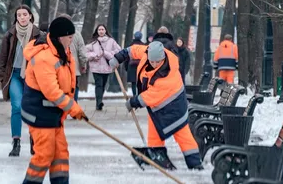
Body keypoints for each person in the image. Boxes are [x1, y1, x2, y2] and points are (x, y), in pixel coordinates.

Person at [19, 17, 87, 184]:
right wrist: (74, 109)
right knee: (45, 151)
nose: (72, 40)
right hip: (39, 112)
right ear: (60, 37)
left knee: (60, 151)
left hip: (53, 113)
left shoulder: (62, 53)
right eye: (70, 37)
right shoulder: (43, 57)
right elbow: (51, 91)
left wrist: (70, 109)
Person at [109, 41, 203, 170]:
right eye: (151, 61)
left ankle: (195, 163)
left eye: (157, 62)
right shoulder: (148, 52)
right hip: (159, 107)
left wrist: (134, 102)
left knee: (182, 133)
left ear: (163, 58)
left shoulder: (167, 74)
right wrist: (119, 57)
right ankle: (156, 154)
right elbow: (134, 50)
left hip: (174, 107)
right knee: (154, 130)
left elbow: (153, 95)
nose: (154, 64)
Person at [0, 5, 42, 157]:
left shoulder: (39, 35)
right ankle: (16, 142)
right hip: (14, 75)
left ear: (30, 16)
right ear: (16, 18)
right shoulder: (10, 35)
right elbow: (2, 57)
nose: (22, 17)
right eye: (19, 15)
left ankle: (33, 139)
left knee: (31, 108)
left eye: (24, 14)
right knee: (17, 107)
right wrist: (2, 76)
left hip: (32, 76)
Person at [85, 24, 121, 110]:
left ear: (105, 31)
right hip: (96, 67)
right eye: (99, 30)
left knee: (103, 85)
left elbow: (118, 51)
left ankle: (99, 100)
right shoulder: (93, 42)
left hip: (107, 68)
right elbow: (85, 52)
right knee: (99, 85)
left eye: (102, 29)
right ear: (97, 31)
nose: (101, 31)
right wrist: (94, 55)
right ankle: (99, 103)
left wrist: (106, 54)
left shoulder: (111, 41)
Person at [58, 14, 87, 102]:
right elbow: (82, 52)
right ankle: (73, 106)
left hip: (59, 66)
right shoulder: (77, 34)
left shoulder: (55, 33)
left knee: (61, 86)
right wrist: (83, 65)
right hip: (74, 68)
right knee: (74, 86)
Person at [125, 31, 145, 96]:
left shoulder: (130, 45)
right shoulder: (143, 45)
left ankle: (134, 95)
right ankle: (139, 96)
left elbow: (127, 57)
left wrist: (126, 67)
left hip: (132, 66)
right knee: (140, 82)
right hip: (141, 66)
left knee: (133, 83)